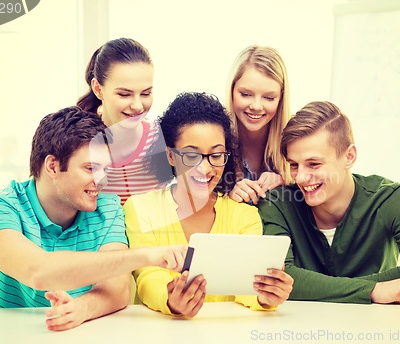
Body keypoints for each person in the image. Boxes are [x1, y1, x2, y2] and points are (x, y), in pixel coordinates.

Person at [0, 107, 186, 331]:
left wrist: (82, 309)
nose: (101, 181)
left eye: (105, 169)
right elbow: (39, 271)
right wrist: (145, 255)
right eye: (91, 168)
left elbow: (118, 288)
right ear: (52, 166)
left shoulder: (106, 206)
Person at [124, 92, 293, 318]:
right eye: (191, 156)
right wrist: (170, 299)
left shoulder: (245, 217)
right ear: (171, 156)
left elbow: (246, 285)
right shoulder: (140, 208)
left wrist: (266, 295)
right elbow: (146, 277)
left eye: (216, 155)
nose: (205, 169)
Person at [258, 101, 400, 304]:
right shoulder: (277, 203)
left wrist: (321, 287)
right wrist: (372, 290)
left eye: (314, 164)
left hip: (373, 328)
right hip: (297, 330)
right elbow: (276, 281)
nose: (301, 177)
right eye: (294, 165)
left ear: (349, 156)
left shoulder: (393, 198)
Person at [77, 37, 169, 205]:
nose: (138, 105)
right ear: (98, 89)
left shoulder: (160, 137)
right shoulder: (79, 142)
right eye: (124, 94)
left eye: (146, 93)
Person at [225, 45, 292, 205]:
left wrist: (286, 182)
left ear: (281, 99)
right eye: (246, 94)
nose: (256, 106)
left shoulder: (296, 139)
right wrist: (227, 199)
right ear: (232, 90)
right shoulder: (214, 139)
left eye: (269, 98)